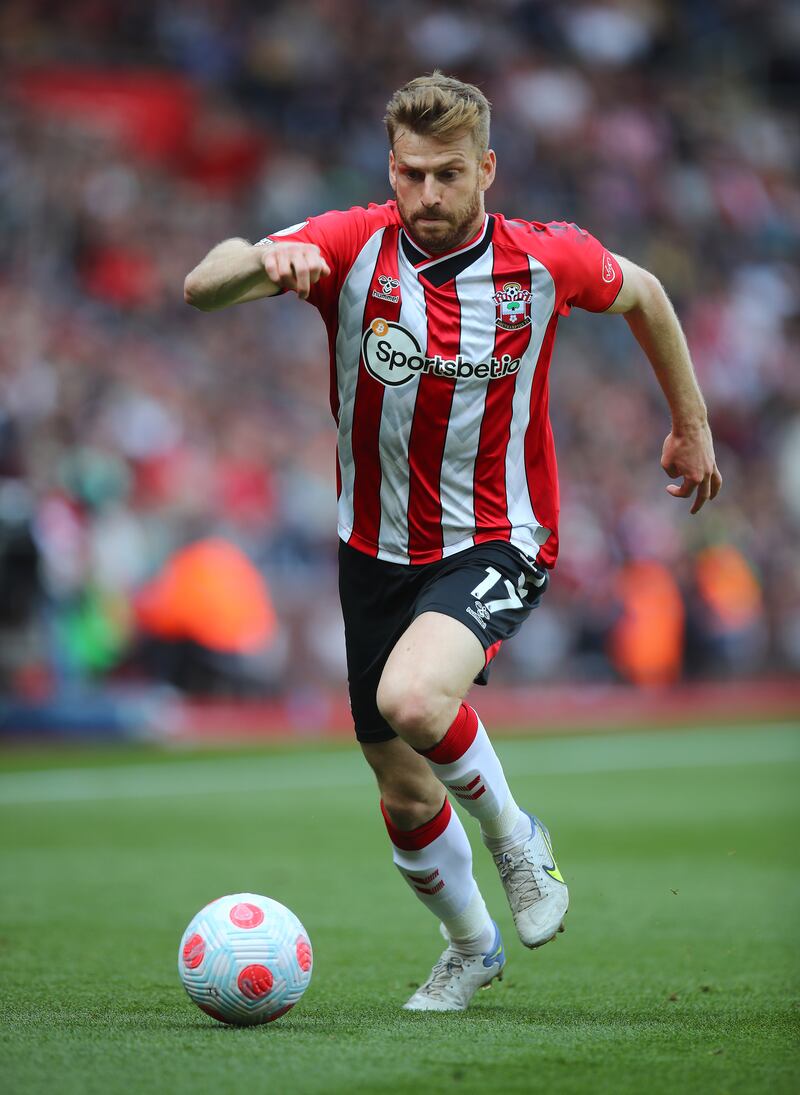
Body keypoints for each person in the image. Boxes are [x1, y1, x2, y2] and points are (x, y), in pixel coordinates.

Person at [184, 73, 722, 1011]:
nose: (428, 196)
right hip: (373, 549)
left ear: (489, 171)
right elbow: (202, 284)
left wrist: (692, 424)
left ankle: (517, 835)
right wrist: (262, 268)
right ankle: (472, 947)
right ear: (390, 169)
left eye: (449, 175)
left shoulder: (545, 260)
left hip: (501, 533)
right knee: (400, 781)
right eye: (411, 174)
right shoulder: (351, 247)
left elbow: (644, 292)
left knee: (415, 699)